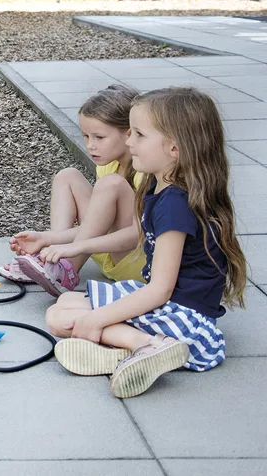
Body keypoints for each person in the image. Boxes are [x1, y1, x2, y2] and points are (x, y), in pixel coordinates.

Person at [45, 87, 247, 398]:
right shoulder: (159, 185)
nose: (128, 141)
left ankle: (148, 347)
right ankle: (124, 352)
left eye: (138, 134)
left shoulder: (175, 204)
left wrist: (97, 318)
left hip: (185, 322)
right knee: (65, 304)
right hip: (169, 304)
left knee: (61, 318)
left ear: (174, 149)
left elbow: (160, 289)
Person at [0, 84, 146, 295]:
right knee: (67, 175)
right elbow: (98, 223)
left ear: (129, 134)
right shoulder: (108, 165)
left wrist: (70, 246)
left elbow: (141, 233)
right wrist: (47, 238)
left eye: (99, 137)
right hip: (107, 250)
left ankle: (64, 265)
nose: (90, 145)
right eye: (85, 136)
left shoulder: (145, 171)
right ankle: (53, 261)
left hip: (136, 263)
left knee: (111, 183)